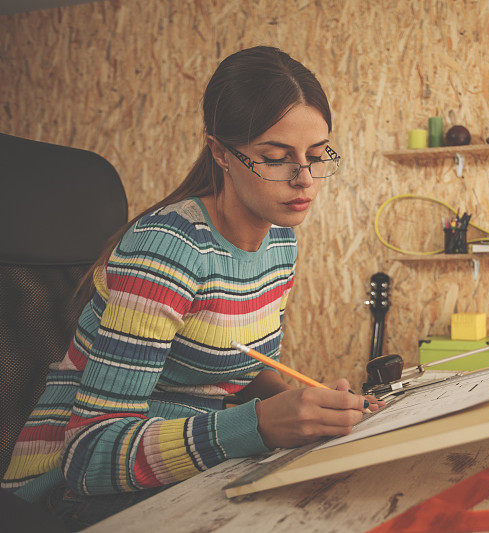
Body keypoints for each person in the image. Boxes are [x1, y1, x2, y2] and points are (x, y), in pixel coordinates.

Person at [1, 46, 382, 529]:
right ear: (220, 151)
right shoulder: (168, 250)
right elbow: (89, 457)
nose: (304, 180)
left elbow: (242, 366)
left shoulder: (281, 239)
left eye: (316, 155)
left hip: (179, 465)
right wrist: (264, 423)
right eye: (274, 157)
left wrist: (309, 409)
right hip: (66, 495)